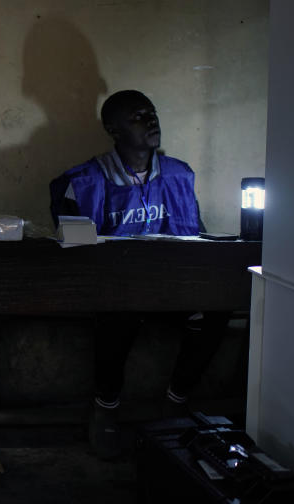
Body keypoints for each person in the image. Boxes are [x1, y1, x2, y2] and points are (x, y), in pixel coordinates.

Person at [48, 90, 229, 459]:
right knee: (120, 313)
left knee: (217, 307)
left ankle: (176, 400)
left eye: (152, 113)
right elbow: (77, 257)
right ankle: (106, 408)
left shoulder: (178, 174)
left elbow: (197, 238)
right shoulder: (82, 181)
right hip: (117, 292)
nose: (150, 121)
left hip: (173, 289)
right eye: (137, 116)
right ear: (113, 130)